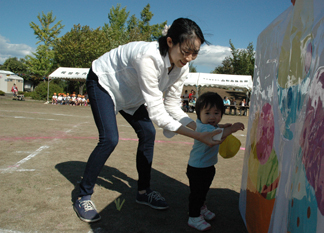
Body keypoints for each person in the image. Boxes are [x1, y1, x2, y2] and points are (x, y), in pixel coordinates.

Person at [73, 18, 225, 223]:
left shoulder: (182, 68)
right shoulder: (148, 57)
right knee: (109, 139)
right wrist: (198, 135)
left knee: (148, 133)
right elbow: (158, 113)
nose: (189, 58)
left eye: (195, 53)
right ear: (170, 41)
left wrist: (203, 127)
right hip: (104, 84)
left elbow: (171, 105)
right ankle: (83, 195)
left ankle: (144, 192)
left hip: (132, 97)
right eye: (186, 50)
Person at [187, 92, 244, 231]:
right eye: (207, 113)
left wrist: (223, 125)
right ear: (198, 114)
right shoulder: (202, 128)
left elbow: (217, 128)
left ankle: (201, 208)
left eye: (216, 113)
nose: (212, 117)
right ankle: (194, 217)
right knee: (197, 193)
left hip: (207, 166)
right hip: (197, 168)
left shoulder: (210, 126)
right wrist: (231, 129)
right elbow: (218, 135)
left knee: (203, 191)